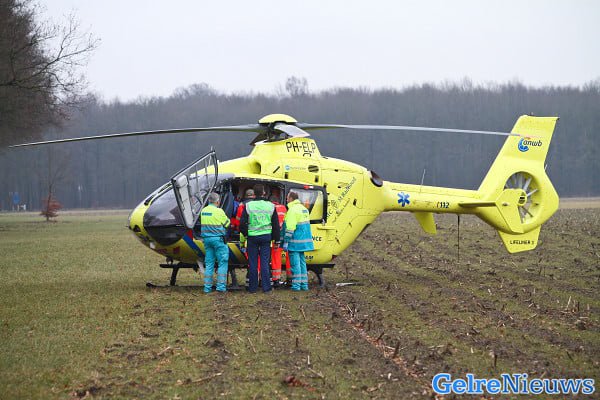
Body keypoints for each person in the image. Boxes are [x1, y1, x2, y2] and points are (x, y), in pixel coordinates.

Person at [240, 184, 280, 293]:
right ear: (264, 193)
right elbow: (275, 225)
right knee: (265, 263)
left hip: (252, 237)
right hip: (266, 237)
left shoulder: (248, 206)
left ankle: (252, 288)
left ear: (254, 194)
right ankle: (266, 288)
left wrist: (247, 234)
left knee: (253, 263)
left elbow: (242, 224)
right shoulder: (270, 206)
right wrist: (276, 239)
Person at [282, 191, 314, 291]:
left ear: (291, 198)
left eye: (287, 198)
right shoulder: (304, 209)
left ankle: (296, 286)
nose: (286, 199)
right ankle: (304, 285)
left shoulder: (292, 210)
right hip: (304, 242)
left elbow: (290, 228)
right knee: (302, 264)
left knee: (295, 265)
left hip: (295, 242)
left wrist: (286, 241)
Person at [200, 192, 230, 293]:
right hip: (218, 240)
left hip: (207, 240)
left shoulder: (203, 211)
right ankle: (221, 287)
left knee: (209, 264)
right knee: (222, 262)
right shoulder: (219, 211)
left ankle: (207, 288)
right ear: (218, 201)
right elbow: (227, 224)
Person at [269, 194, 291, 286]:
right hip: (286, 237)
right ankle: (290, 279)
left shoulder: (270, 209)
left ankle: (276, 280)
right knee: (289, 258)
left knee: (276, 258)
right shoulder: (284, 208)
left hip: (276, 237)